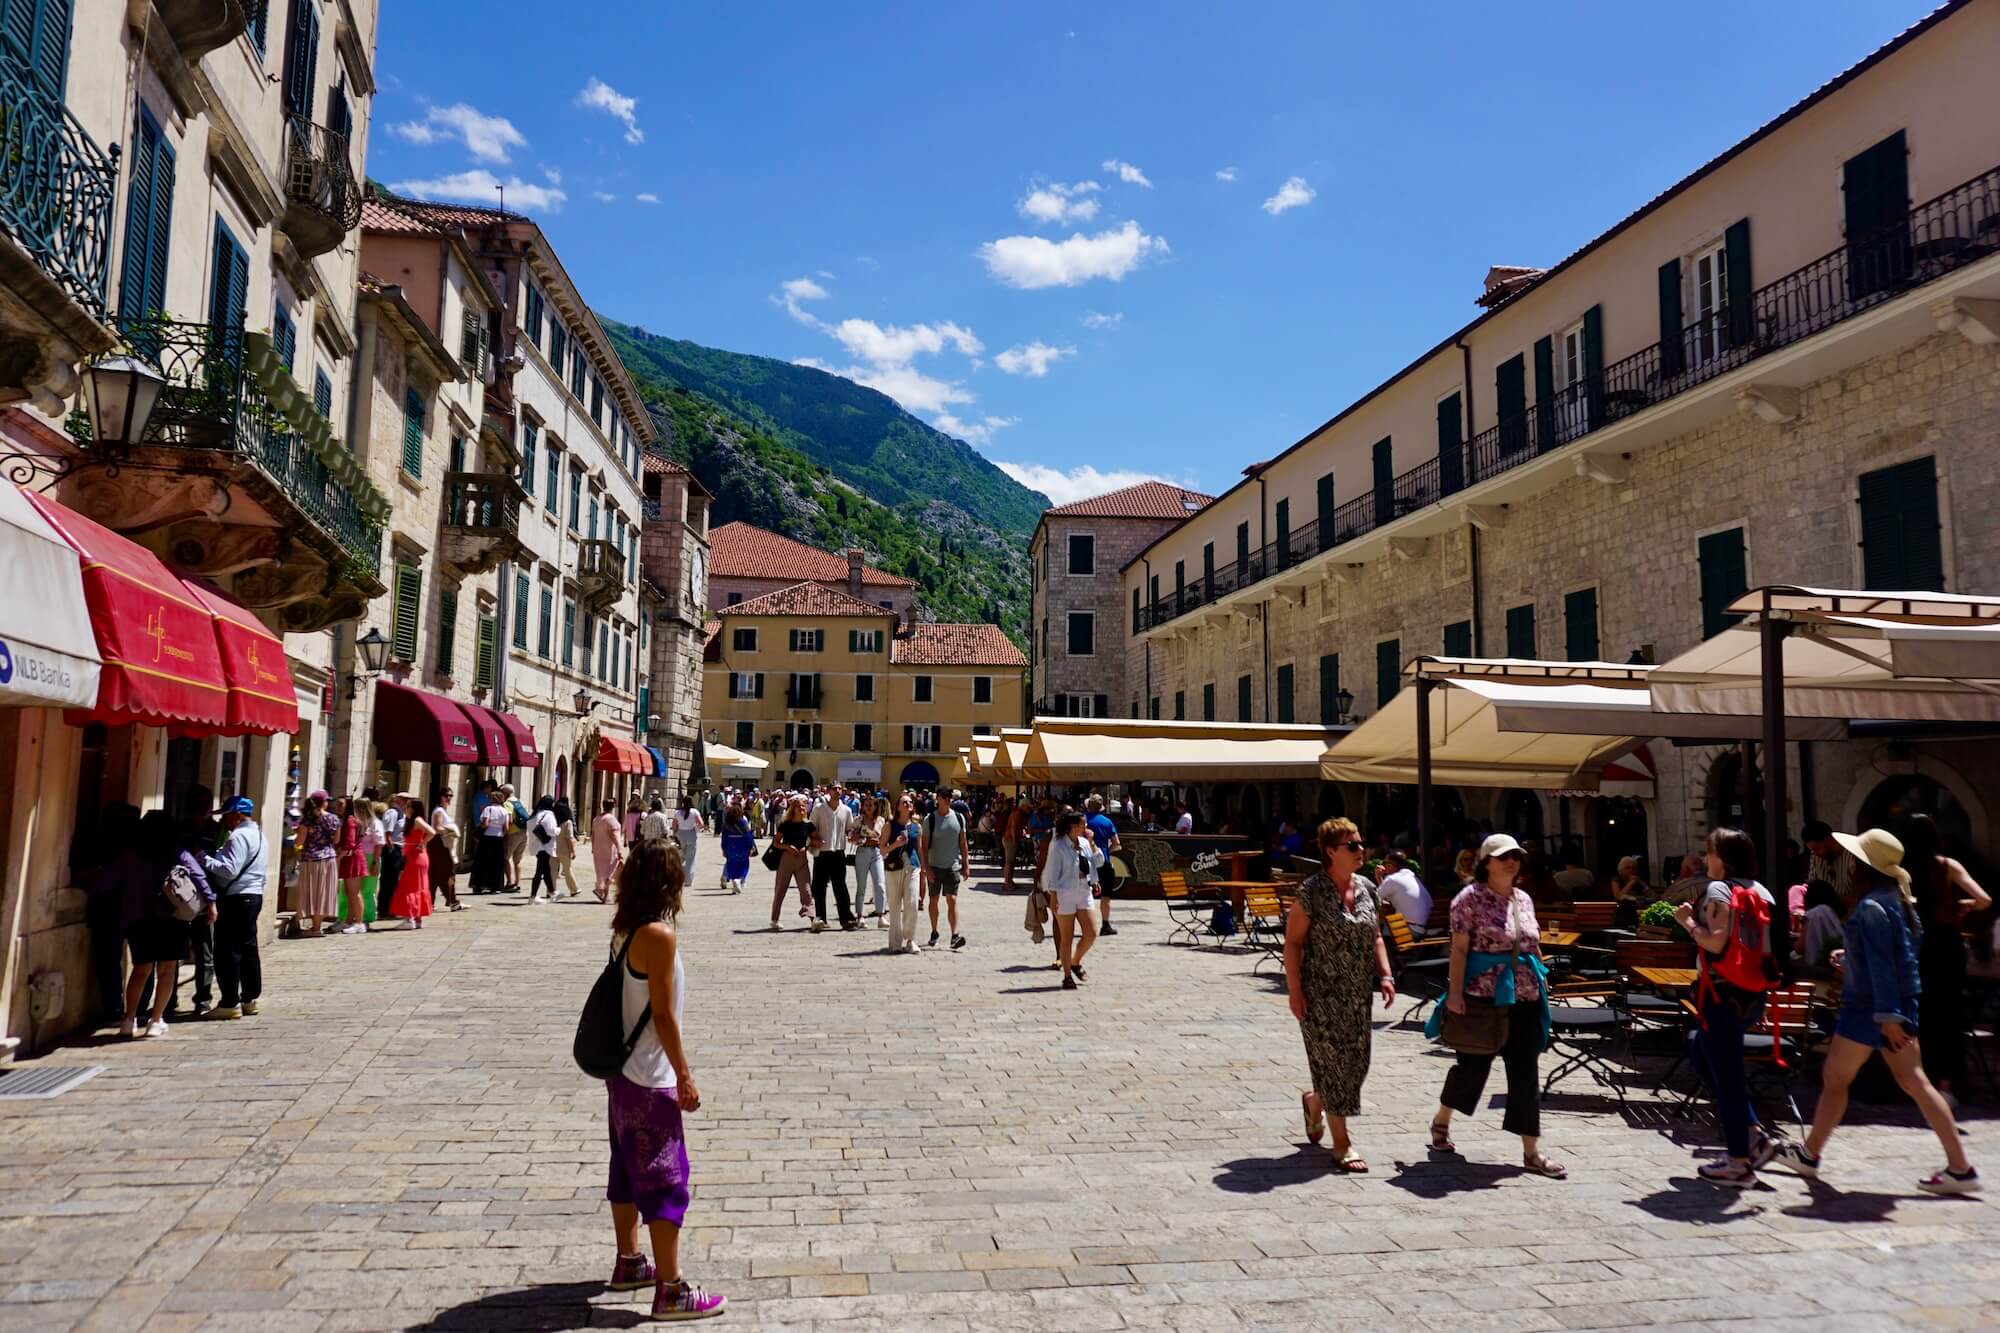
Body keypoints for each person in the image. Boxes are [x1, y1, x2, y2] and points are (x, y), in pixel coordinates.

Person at [1771, 828, 1980, 1195]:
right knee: (1910, 1082)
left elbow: (1884, 965)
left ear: (1865, 865)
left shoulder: (1870, 907)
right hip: (1887, 1008)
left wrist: (1887, 1016)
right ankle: (1959, 1166)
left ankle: (1810, 1154)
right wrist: (1853, 961)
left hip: (1869, 1010)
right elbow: (1900, 958)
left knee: (1842, 1079)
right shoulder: (1897, 900)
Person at [600, 840, 726, 1319]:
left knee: (626, 1170)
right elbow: (663, 1015)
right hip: (651, 1077)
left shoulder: (624, 929)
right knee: (665, 1179)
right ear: (667, 883)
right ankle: (671, 1289)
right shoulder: (658, 935)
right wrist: (685, 1076)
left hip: (621, 1074)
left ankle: (630, 1261)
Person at [1427, 833, 1565, 1179]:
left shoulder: (1524, 899)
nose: (1511, 861)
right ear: (1486, 862)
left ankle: (1531, 1151)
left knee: (1525, 1074)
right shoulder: (1468, 899)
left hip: (1525, 998)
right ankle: (1443, 1118)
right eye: (1503, 856)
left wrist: (1543, 982)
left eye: (1515, 856)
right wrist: (1454, 993)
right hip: (1482, 997)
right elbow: (1458, 949)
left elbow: (1532, 946)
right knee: (1473, 1069)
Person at [1674, 827, 1781, 1188]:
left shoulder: (1720, 890)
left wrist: (1687, 921)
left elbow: (1716, 943)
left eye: (1711, 852)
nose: (1706, 859)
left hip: (1721, 995)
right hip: (1752, 993)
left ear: (1724, 857)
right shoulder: (1762, 890)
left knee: (1729, 1076)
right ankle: (1752, 1135)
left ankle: (1738, 1162)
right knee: (1702, 1055)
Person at [1287, 817, 1396, 1170]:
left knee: (1356, 1064)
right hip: (1320, 993)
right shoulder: (1312, 891)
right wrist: (1294, 990)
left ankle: (1315, 1100)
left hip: (1356, 994)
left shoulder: (1367, 888)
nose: (1361, 850)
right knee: (1332, 1063)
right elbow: (1293, 942)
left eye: (1361, 844)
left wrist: (1386, 974)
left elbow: (1376, 935)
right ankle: (1342, 1143)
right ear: (1331, 851)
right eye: (1353, 846)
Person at [1902, 814, 1990, 1105]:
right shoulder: (1947, 866)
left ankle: (1920, 1082)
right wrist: (1962, 905)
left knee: (1920, 1014)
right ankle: (1948, 1085)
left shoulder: (1901, 871)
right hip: (1947, 945)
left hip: (1915, 945)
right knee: (1949, 1015)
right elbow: (1984, 899)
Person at [109, 811, 215, 1039]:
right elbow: (197, 874)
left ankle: (129, 1019)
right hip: (171, 916)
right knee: (167, 970)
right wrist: (211, 902)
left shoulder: (131, 853)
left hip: (139, 918)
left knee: (140, 970)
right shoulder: (176, 851)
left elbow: (110, 880)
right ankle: (156, 1020)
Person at [202, 796, 269, 1019]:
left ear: (237, 815)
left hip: (236, 898)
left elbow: (229, 870)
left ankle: (229, 1001)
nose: (224, 821)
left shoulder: (238, 836)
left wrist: (203, 859)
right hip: (254, 896)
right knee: (248, 948)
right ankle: (249, 998)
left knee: (228, 950)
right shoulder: (260, 835)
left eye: (227, 816)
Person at [1043, 811, 1105, 989]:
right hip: (1065, 892)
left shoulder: (1085, 843)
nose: (1086, 827)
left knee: (1092, 932)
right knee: (1067, 936)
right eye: (1082, 824)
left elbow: (1098, 862)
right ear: (1072, 826)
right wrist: (1053, 897)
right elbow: (1052, 874)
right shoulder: (1058, 845)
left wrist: (1093, 843)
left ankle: (1075, 961)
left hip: (1084, 890)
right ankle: (1067, 975)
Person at [919, 795, 970, 950]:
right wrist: (926, 868)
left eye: (949, 797)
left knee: (952, 900)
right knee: (933, 900)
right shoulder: (930, 820)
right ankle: (934, 931)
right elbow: (924, 846)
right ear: (938, 800)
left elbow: (963, 842)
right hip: (934, 866)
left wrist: (966, 864)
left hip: (952, 867)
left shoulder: (959, 818)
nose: (948, 800)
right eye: (944, 797)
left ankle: (955, 935)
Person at [294, 790, 340, 937]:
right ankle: (317, 926)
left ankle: (315, 928)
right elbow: (336, 840)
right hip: (329, 859)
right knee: (322, 893)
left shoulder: (307, 820)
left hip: (311, 860)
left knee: (312, 893)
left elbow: (300, 841)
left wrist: (296, 849)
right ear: (324, 802)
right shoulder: (334, 819)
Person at [809, 788, 855, 932]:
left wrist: (854, 835)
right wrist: (814, 840)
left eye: (840, 789)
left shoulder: (846, 810)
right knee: (819, 887)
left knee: (840, 887)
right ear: (829, 791)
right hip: (822, 853)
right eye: (834, 789)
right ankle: (820, 918)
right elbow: (810, 827)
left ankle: (846, 918)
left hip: (838, 853)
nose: (837, 791)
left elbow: (850, 828)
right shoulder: (819, 809)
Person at [883, 796, 921, 954]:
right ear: (897, 807)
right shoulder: (889, 825)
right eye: (904, 802)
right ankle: (895, 942)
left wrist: (924, 869)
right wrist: (896, 844)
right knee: (894, 905)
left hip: (913, 867)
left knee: (912, 904)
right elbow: (882, 849)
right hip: (894, 867)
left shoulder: (917, 827)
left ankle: (910, 939)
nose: (908, 804)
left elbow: (919, 850)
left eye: (910, 802)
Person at [391, 802, 437, 929]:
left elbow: (432, 831)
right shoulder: (412, 820)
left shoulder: (417, 820)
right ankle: (417, 919)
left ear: (414, 809)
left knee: (409, 886)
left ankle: (409, 918)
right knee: (418, 886)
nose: (405, 809)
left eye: (408, 807)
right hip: (415, 856)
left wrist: (422, 843)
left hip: (416, 857)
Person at [769, 796, 813, 929]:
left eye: (804, 806)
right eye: (799, 807)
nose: (802, 809)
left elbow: (815, 840)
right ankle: (774, 919)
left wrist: (808, 847)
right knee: (780, 890)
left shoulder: (808, 825)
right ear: (793, 809)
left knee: (806, 890)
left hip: (802, 860)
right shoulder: (785, 824)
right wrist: (788, 847)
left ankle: (813, 918)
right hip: (786, 859)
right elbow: (776, 843)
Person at [1085, 795, 1121, 937]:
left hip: (1084, 861)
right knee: (1105, 896)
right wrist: (1106, 851)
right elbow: (1116, 843)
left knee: (1084, 894)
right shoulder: (1107, 822)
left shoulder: (1082, 820)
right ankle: (1105, 924)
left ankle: (1085, 924)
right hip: (1103, 861)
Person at [849, 794, 888, 925]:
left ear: (876, 806)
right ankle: (859, 914)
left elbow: (885, 837)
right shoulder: (858, 820)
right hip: (863, 851)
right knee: (862, 884)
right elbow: (850, 838)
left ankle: (881, 914)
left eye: (871, 805)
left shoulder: (881, 820)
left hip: (877, 853)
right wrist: (864, 839)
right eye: (866, 805)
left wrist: (880, 842)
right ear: (863, 806)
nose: (869, 807)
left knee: (880, 883)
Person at [1375, 846, 1432, 934]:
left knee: (1380, 923)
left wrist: (1378, 876)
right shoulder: (1411, 877)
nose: (1382, 865)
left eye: (1384, 862)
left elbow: (1374, 900)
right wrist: (1380, 878)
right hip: (1422, 928)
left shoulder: (1392, 879)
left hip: (1408, 930)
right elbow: (1388, 898)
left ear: (1390, 865)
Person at [1797, 880, 1845, 977]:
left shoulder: (1812, 914)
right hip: (1837, 968)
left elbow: (1799, 948)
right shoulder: (1837, 914)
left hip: (1816, 970)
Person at [337, 793, 370, 935]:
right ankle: (349, 920)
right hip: (350, 859)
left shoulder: (350, 821)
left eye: (341, 804)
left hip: (353, 859)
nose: (338, 807)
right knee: (349, 892)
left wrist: (338, 858)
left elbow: (349, 843)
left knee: (355, 893)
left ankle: (359, 922)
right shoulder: (348, 820)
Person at [1802, 820, 1855, 904]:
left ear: (1830, 840)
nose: (1815, 854)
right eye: (1812, 850)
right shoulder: (1815, 855)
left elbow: (1859, 895)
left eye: (1817, 849)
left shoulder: (1852, 855)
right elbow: (1812, 884)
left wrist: (1835, 900)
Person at [525, 796, 561, 903]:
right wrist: (559, 830)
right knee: (540, 871)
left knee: (546, 871)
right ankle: (533, 896)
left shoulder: (536, 814)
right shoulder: (549, 815)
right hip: (545, 846)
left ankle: (552, 892)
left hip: (537, 846)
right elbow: (551, 831)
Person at [378, 793, 408, 919]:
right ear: (397, 800)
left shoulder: (402, 813)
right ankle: (385, 909)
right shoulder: (392, 813)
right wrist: (391, 849)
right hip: (393, 848)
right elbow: (387, 833)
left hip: (399, 848)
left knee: (394, 880)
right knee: (389, 880)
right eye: (404, 799)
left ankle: (392, 908)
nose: (406, 801)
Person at [430, 788, 462, 908]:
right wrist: (453, 832)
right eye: (446, 795)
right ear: (440, 797)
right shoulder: (438, 811)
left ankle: (440, 900)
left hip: (444, 845)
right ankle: (452, 900)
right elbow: (438, 828)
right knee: (448, 873)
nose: (448, 798)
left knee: (437, 874)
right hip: (440, 845)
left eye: (451, 796)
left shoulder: (443, 811)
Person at [592, 798, 626, 903]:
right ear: (613, 807)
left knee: (601, 870)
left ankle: (603, 892)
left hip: (598, 848)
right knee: (611, 870)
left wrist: (593, 847)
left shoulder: (597, 819)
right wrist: (619, 849)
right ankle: (602, 892)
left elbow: (593, 834)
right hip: (609, 849)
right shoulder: (611, 819)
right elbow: (614, 835)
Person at [717, 802, 754, 895]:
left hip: (730, 845)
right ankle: (738, 879)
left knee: (731, 863)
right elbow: (748, 835)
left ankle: (734, 880)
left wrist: (723, 848)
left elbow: (724, 836)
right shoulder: (743, 822)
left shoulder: (726, 824)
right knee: (744, 863)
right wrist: (750, 846)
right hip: (742, 845)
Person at [553, 793, 582, 899]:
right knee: (567, 870)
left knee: (552, 870)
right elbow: (569, 838)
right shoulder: (567, 822)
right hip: (564, 849)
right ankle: (574, 889)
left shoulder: (553, 821)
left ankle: (551, 890)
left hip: (553, 848)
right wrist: (573, 851)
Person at [504, 784, 531, 892]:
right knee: (517, 860)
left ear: (505, 793)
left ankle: (509, 882)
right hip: (523, 833)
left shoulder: (507, 803)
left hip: (513, 833)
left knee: (506, 858)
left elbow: (509, 820)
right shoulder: (520, 802)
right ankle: (517, 882)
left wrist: (505, 832)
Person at [672, 794, 705, 877]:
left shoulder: (677, 813)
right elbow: (701, 824)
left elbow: (674, 826)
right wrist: (696, 828)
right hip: (691, 834)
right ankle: (688, 878)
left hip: (680, 835)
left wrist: (675, 833)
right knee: (690, 858)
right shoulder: (694, 812)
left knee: (680, 856)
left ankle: (677, 874)